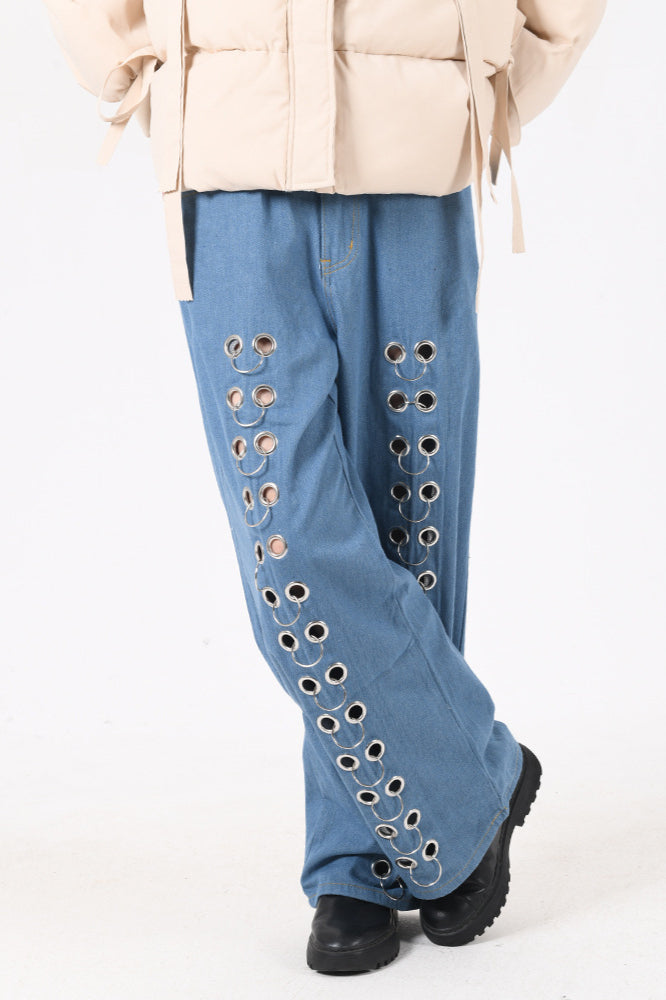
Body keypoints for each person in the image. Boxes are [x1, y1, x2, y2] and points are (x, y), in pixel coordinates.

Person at [43, 0, 606, 975]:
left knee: (409, 529)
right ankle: (473, 778)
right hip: (230, 151)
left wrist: (492, 71)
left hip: (417, 148)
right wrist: (144, 69)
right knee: (292, 547)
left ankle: (367, 859)